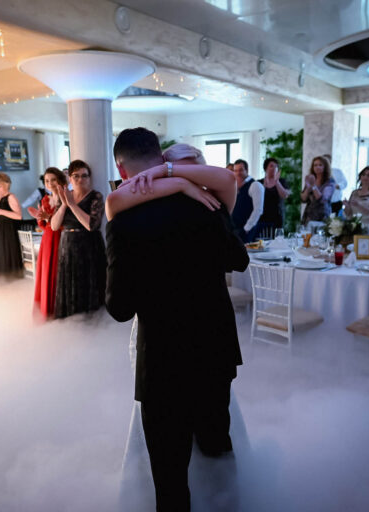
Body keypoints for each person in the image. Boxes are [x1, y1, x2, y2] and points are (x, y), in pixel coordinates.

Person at [106, 128, 248, 511]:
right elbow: (239, 259)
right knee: (217, 450)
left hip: (163, 362)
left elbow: (120, 308)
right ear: (160, 157)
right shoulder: (207, 202)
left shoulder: (124, 220)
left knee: (170, 477)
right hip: (214, 351)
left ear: (121, 169)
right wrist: (184, 185)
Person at [105, 143, 237, 220]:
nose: (186, 180)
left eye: (192, 175)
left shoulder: (214, 202)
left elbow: (229, 179)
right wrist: (181, 184)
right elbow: (113, 201)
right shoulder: (154, 206)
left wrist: (165, 170)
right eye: (174, 175)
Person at [50, 160, 106, 318]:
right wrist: (64, 204)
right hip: (67, 245)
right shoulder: (64, 197)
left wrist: (72, 205)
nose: (80, 179)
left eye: (84, 176)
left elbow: (91, 225)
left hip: (89, 245)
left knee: (89, 283)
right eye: (76, 176)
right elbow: (54, 226)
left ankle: (92, 322)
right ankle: (72, 321)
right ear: (69, 178)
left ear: (89, 178)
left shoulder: (96, 196)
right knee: (70, 282)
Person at [31, 167, 67, 319]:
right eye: (47, 181)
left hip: (62, 237)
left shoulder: (66, 197)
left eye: (53, 180)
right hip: (48, 239)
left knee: (60, 271)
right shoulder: (45, 199)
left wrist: (48, 218)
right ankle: (48, 309)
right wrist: (40, 217)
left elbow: (67, 223)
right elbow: (42, 225)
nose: (50, 183)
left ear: (59, 180)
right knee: (47, 272)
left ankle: (60, 309)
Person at [0, 172, 23, 276]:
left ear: (6, 185)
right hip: (0, 230)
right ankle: (4, 279)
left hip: (9, 231)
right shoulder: (1, 198)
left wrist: (0, 211)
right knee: (2, 254)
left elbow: (19, 216)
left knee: (8, 253)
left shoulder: (11, 197)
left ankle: (12, 278)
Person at [230, 159, 264, 243]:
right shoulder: (236, 186)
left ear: (247, 170)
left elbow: (258, 210)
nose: (238, 173)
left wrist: (246, 228)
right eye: (235, 171)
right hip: (235, 229)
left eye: (241, 170)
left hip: (248, 231)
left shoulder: (255, 185)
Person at [257, 157, 289, 233]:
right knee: (262, 237)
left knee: (276, 237)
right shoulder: (259, 182)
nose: (274, 168)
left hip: (277, 217)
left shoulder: (282, 181)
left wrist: (276, 182)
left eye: (276, 166)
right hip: (262, 216)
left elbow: (285, 195)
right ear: (266, 168)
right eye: (271, 166)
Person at [300, 156, 335, 224]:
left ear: (325, 167)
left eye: (320, 165)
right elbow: (303, 199)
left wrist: (313, 186)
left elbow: (322, 199)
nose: (317, 167)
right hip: (309, 216)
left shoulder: (330, 182)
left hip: (322, 216)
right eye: (315, 165)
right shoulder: (311, 179)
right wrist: (308, 188)